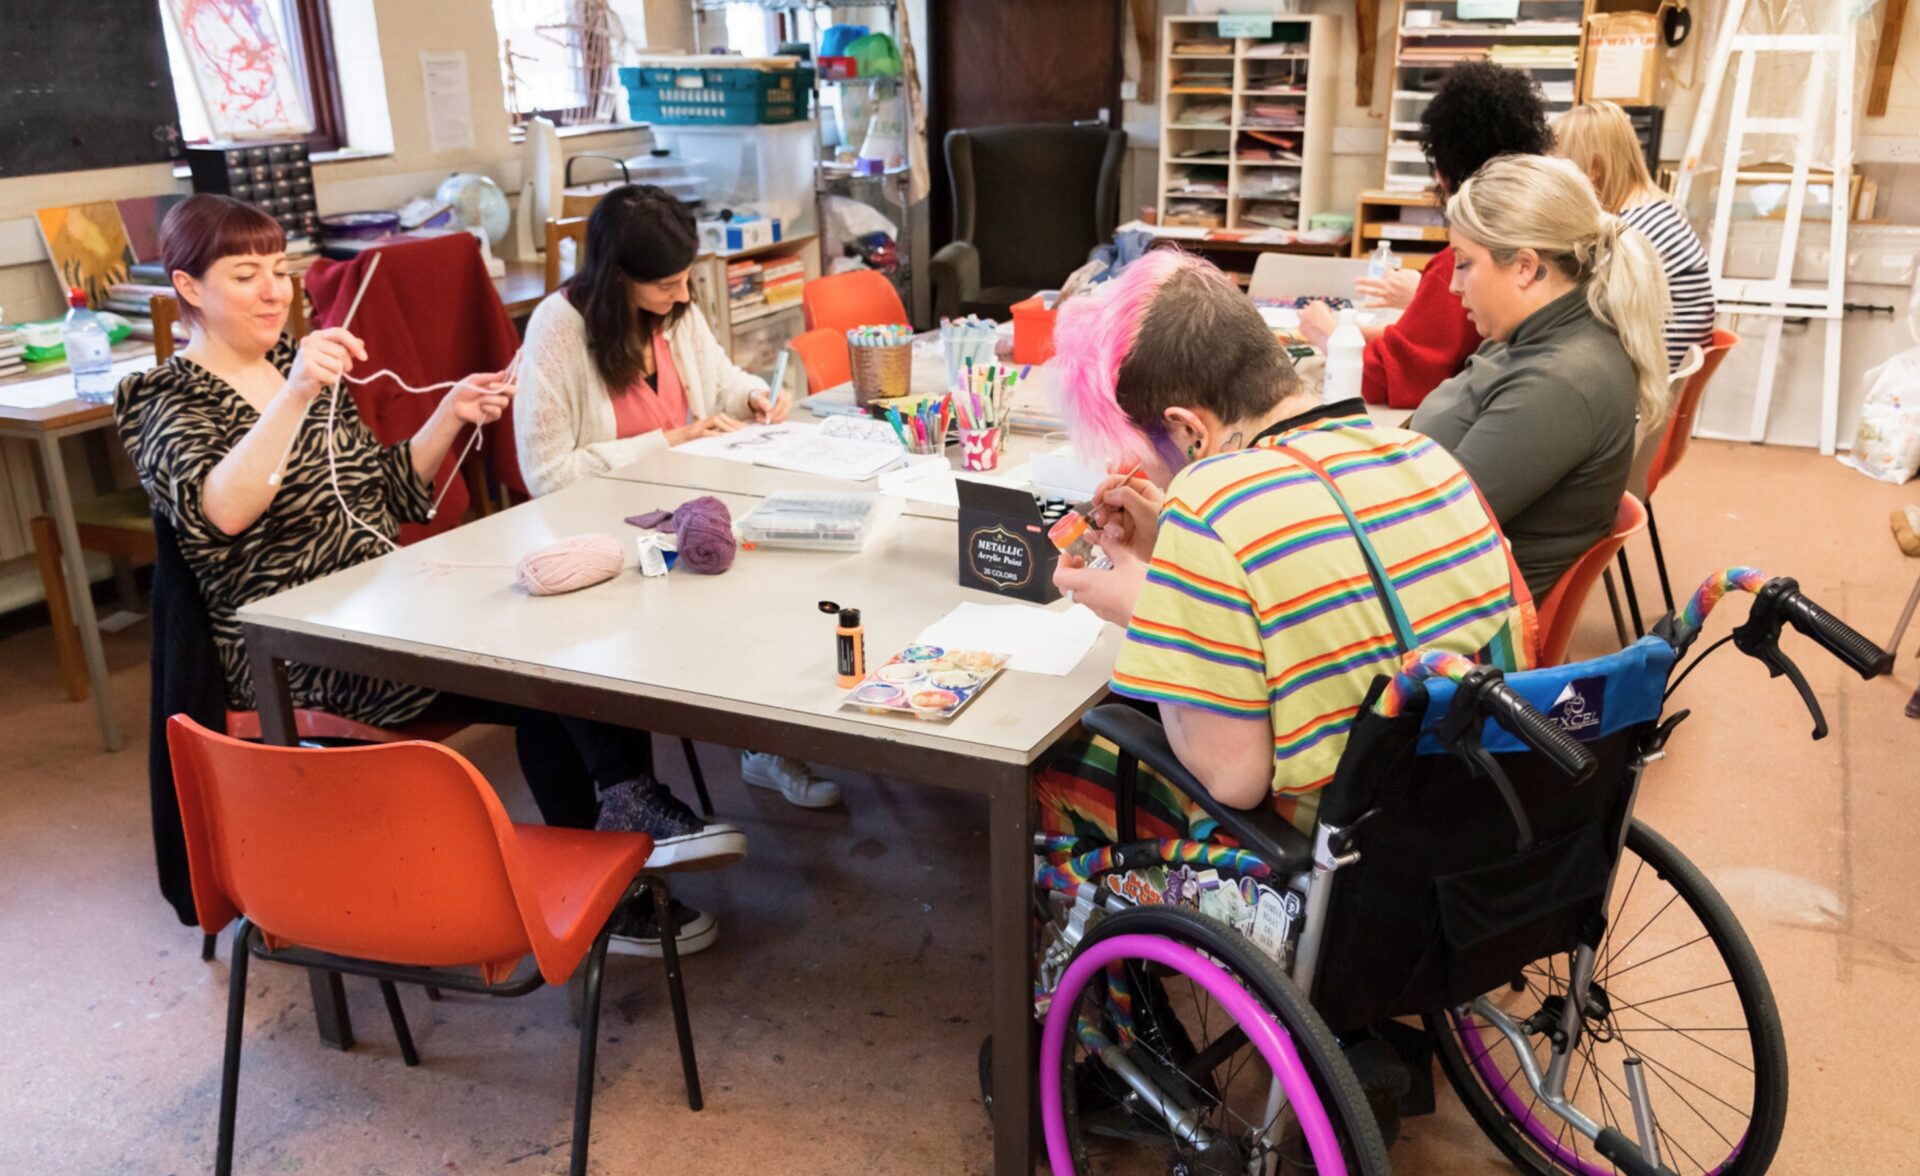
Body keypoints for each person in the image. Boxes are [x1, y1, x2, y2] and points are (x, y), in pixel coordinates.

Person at [116, 194, 741, 959]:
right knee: (543, 663)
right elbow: (222, 513)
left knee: (574, 634)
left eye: (280, 271)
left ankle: (619, 841)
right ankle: (626, 834)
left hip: (384, 603)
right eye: (247, 275)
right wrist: (296, 394)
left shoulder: (291, 364)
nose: (275, 290)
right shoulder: (163, 399)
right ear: (188, 288)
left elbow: (386, 490)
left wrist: (449, 413)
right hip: (299, 648)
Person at [1038, 249, 1534, 845]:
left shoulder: (1210, 503)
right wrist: (1176, 553)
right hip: (1473, 809)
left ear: (1188, 429)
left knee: (1053, 765)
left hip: (1328, 853)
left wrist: (1146, 613)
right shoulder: (1425, 455)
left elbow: (1233, 780)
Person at [514, 183, 842, 810]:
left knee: (780, 587)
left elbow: (720, 381)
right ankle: (648, 796)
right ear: (617, 278)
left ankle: (761, 741)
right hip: (601, 534)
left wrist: (752, 397)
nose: (684, 296)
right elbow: (547, 475)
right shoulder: (557, 330)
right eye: (667, 285)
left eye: (685, 279)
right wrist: (670, 439)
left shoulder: (675, 311)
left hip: (683, 517)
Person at [1410, 155, 1673, 599]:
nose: (1454, 285)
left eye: (1465, 263)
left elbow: (1432, 532)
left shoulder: (1560, 384)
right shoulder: (1535, 334)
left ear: (1526, 267)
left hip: (1452, 624)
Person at [1300, 62, 1554, 410]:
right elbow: (1429, 346)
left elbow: (1393, 376)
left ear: (1443, 172)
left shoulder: (1467, 262)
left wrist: (1330, 335)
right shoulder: (1541, 236)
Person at [1553, 99, 1716, 371]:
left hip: (1640, 389)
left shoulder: (1635, 231)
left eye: (1560, 170)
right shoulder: (1657, 211)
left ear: (1593, 169)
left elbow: (1574, 313)